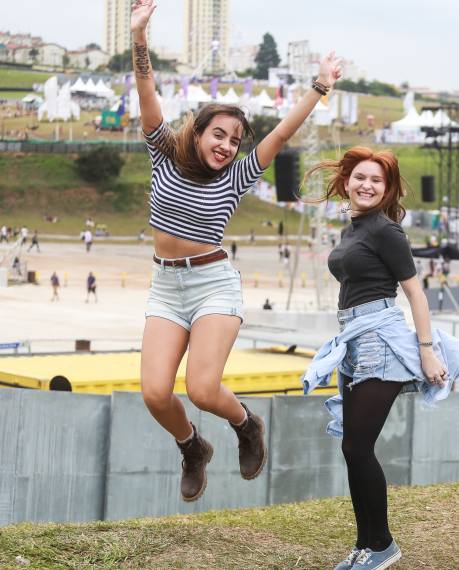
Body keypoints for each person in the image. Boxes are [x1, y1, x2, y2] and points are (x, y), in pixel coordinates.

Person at [130, 2, 344, 503]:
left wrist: (320, 85)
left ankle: (247, 425)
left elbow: (282, 133)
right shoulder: (163, 154)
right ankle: (192, 448)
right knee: (156, 394)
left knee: (203, 390)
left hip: (212, 284)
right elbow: (146, 91)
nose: (226, 146)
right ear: (199, 132)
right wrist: (140, 34)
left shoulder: (237, 176)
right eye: (218, 134)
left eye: (234, 140)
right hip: (166, 285)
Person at [299, 147, 459, 570]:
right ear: (346, 182)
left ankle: (382, 546)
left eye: (377, 180)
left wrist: (426, 351)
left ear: (388, 188)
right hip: (355, 338)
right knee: (352, 446)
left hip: (380, 338)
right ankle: (366, 546)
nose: (367, 185)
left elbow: (415, 293)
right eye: (360, 177)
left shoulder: (385, 231)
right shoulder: (353, 230)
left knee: (358, 445)